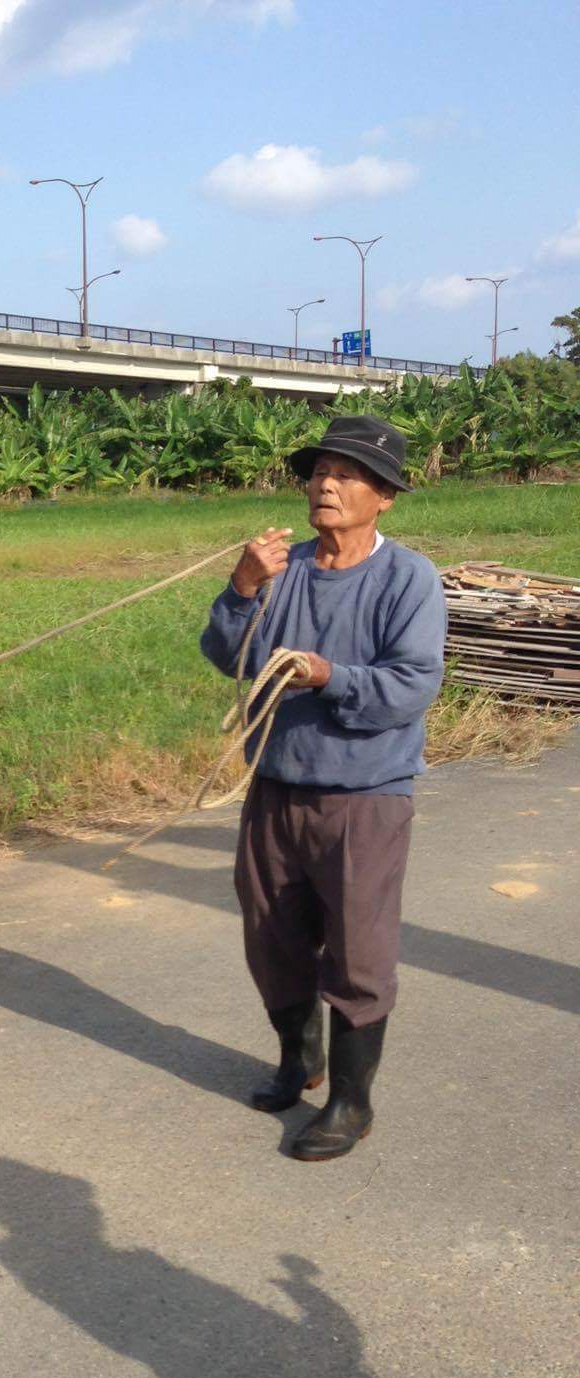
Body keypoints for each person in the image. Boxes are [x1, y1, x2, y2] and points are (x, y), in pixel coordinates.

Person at [199, 414, 447, 1161]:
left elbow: (411, 686)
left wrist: (327, 674)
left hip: (365, 796)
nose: (327, 484)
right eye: (319, 472)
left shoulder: (409, 578)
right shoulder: (285, 571)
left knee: (358, 954)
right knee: (271, 939)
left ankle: (351, 1100)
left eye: (348, 474)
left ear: (386, 496)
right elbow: (227, 654)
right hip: (275, 786)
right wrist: (242, 589)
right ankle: (297, 1060)